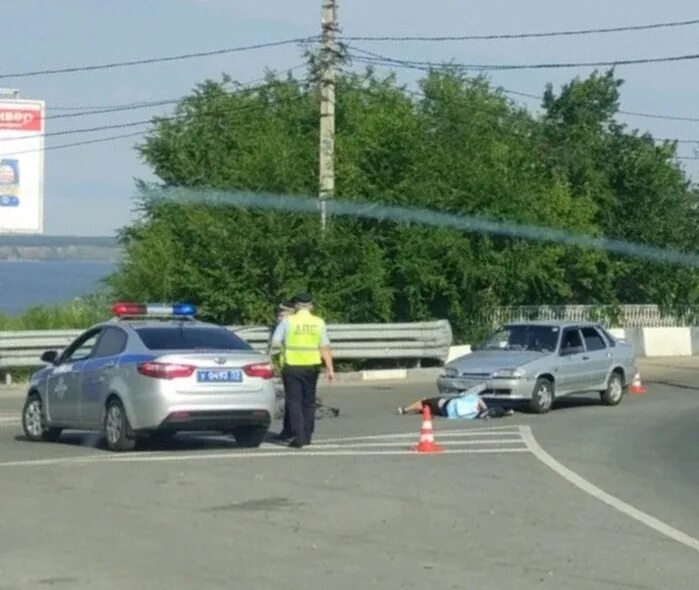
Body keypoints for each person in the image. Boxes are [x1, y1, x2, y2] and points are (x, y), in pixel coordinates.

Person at [270, 292, 335, 448]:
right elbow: (324, 347)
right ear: (311, 306)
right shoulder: (318, 322)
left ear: (296, 306)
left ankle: (297, 437)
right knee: (309, 402)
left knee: (294, 402)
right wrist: (330, 369)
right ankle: (307, 435)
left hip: (292, 365)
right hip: (312, 366)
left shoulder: (287, 321)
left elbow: (275, 343)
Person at [397, 384, 513, 420]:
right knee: (427, 408)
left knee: (424, 403)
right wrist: (484, 410)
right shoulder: (476, 413)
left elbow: (476, 399)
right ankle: (506, 411)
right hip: (450, 413)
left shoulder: (472, 397)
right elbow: (482, 405)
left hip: (447, 407)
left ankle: (405, 409)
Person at [267, 299, 296, 442]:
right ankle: (291, 430)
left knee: (293, 402)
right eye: (279, 311)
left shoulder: (288, 326)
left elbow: (275, 348)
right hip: (291, 366)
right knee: (291, 401)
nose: (279, 314)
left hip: (292, 366)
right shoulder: (280, 326)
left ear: (291, 312)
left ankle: (291, 431)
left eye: (282, 311)